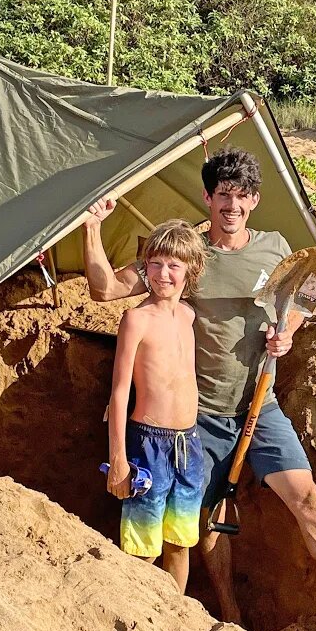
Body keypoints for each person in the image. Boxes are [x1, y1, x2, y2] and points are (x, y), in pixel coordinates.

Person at [83, 146, 316, 631]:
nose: (232, 204)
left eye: (242, 195)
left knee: (309, 500)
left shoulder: (277, 249)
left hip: (260, 405)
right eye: (222, 194)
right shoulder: (185, 252)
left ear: (254, 201)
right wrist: (93, 228)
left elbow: (310, 291)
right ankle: (229, 616)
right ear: (207, 197)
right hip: (195, 418)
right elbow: (104, 289)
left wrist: (288, 332)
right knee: (200, 520)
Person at [106, 219, 208, 594]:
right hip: (148, 444)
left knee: (180, 543)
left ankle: (175, 619)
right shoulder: (136, 319)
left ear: (190, 270)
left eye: (174, 265)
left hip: (189, 444)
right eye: (156, 263)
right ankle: (133, 616)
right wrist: (119, 459)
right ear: (144, 266)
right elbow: (119, 393)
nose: (164, 273)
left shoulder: (188, 316)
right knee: (142, 547)